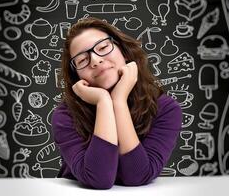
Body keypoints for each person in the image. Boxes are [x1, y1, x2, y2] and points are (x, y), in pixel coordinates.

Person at [51, 17, 182, 189]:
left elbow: (137, 176)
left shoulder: (166, 109)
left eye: (103, 47)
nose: (96, 60)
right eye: (82, 60)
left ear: (124, 51)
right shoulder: (64, 116)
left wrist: (118, 101)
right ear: (77, 76)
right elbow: (99, 179)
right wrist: (103, 102)